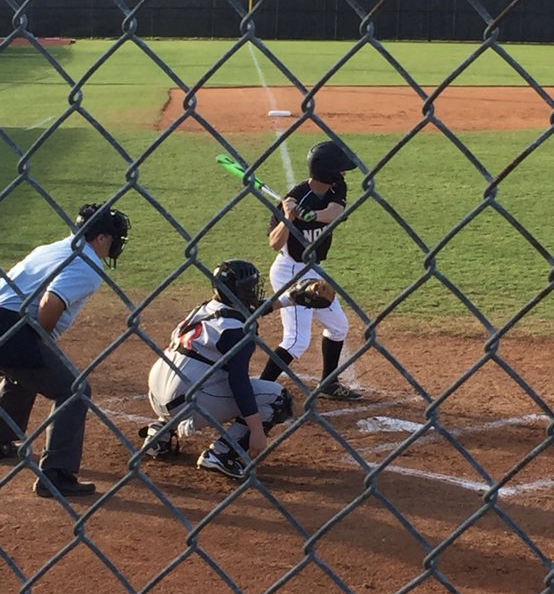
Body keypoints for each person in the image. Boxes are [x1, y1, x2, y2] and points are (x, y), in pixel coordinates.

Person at [0, 202, 131, 498]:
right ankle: (56, 474)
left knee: (25, 373)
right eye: (114, 238)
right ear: (101, 238)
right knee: (75, 390)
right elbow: (50, 303)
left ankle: (1, 438)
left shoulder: (52, 248)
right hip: (11, 327)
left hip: (3, 319)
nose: (116, 244)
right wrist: (39, 341)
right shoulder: (88, 263)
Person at [141, 258, 295, 480]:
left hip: (156, 394)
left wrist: (290, 299)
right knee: (278, 399)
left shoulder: (205, 308)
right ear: (237, 291)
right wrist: (257, 431)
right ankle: (222, 453)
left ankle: (160, 434)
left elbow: (247, 311)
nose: (253, 292)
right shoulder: (237, 330)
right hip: (187, 402)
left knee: (203, 370)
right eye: (249, 288)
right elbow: (238, 382)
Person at [259, 140, 364, 401]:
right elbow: (275, 242)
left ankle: (328, 383)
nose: (344, 173)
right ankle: (258, 390)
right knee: (296, 341)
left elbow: (334, 213)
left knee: (339, 326)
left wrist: (309, 216)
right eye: (340, 169)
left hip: (313, 270)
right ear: (328, 171)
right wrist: (289, 217)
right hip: (289, 271)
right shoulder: (293, 198)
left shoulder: (336, 186)